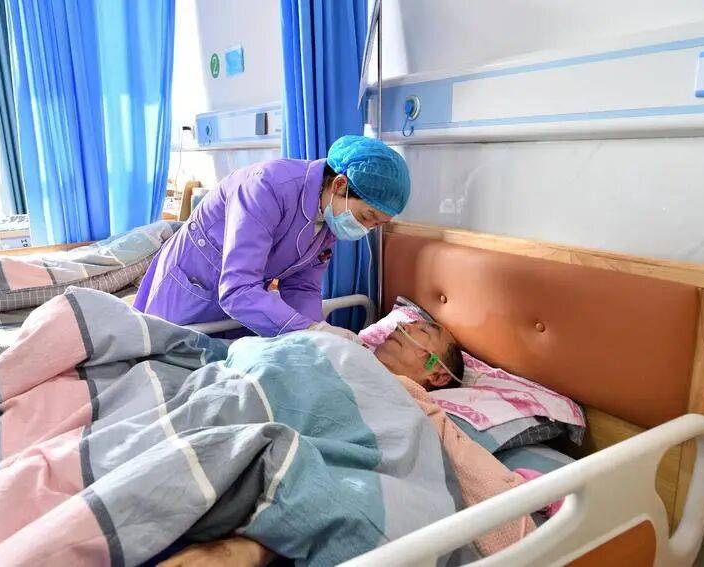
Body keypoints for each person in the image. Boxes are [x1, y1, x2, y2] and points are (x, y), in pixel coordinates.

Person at [159, 320, 474, 567]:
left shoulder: (412, 408)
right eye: (407, 322)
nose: (403, 326)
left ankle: (267, 536)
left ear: (438, 375)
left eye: (423, 331)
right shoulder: (344, 348)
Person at [133, 135, 411, 340]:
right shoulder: (266, 187)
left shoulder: (329, 217)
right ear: (340, 185)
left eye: (377, 225)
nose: (365, 229)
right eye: (366, 217)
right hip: (192, 288)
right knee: (166, 360)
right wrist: (308, 329)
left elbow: (302, 287)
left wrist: (318, 338)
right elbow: (238, 289)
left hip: (244, 307)